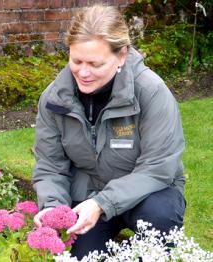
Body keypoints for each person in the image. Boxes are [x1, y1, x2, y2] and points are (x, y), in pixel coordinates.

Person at [32, 3, 186, 260]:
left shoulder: (151, 92)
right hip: (87, 194)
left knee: (160, 220)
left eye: (95, 63)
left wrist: (102, 203)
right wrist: (53, 208)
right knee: (79, 255)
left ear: (122, 55)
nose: (83, 72)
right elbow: (50, 166)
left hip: (148, 194)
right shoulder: (54, 99)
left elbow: (158, 167)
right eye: (76, 60)